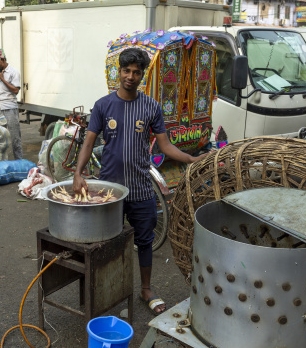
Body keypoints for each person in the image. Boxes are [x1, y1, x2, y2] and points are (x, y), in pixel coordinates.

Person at [73, 48, 207, 315]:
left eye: (136, 72)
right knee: (105, 242)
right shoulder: (103, 105)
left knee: (144, 241)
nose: (130, 76)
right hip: (109, 190)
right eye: (126, 71)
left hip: (142, 189)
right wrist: (78, 173)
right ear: (119, 72)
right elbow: (89, 142)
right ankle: (102, 288)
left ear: (142, 76)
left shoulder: (151, 107)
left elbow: (166, 146)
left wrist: (192, 159)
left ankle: (146, 289)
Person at [0, 48, 23, 160]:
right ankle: (2, 162)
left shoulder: (14, 72)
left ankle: (19, 162)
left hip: (10, 108)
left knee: (15, 138)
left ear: (3, 59)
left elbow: (15, 90)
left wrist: (3, 79)